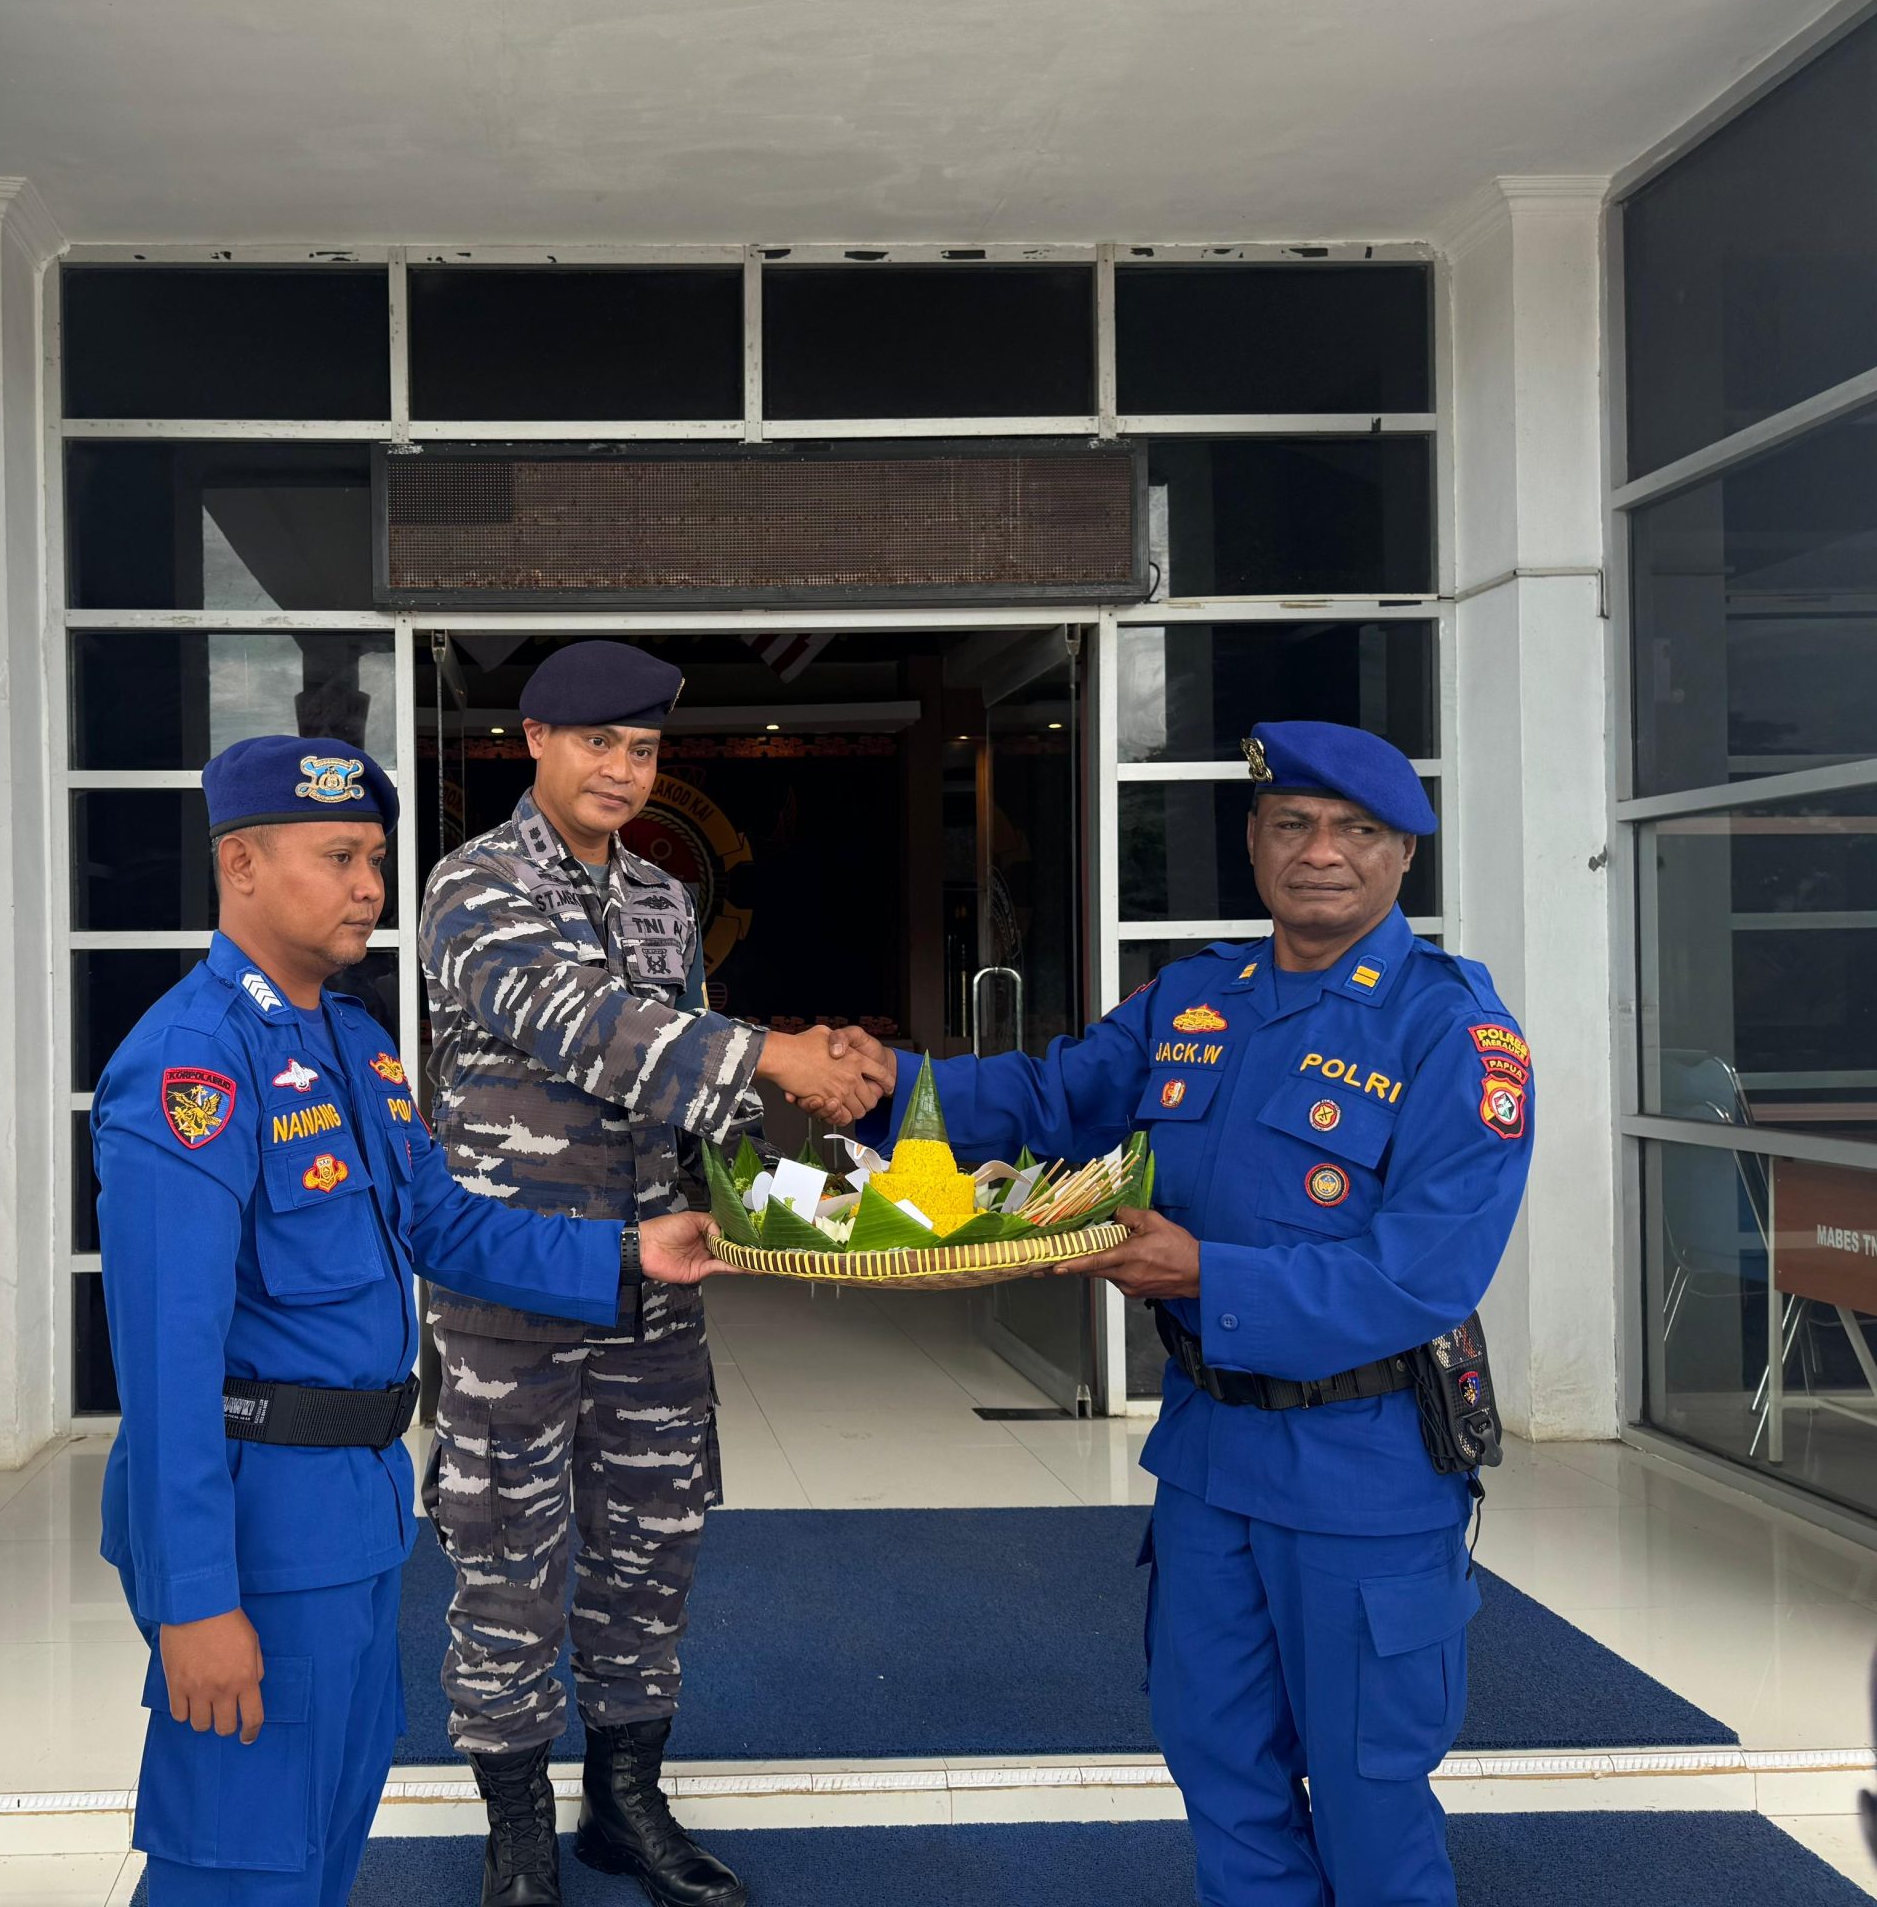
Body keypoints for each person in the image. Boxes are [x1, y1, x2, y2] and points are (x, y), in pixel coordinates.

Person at [848, 722, 1532, 1907]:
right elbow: (1050, 1096)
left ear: (1403, 855)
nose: (1321, 853)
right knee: (1222, 1776)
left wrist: (1206, 1276)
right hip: (1211, 1462)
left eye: (1356, 831)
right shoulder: (1196, 996)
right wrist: (876, 1086)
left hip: (1362, 1474)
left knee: (1371, 1803)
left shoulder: (1454, 1035)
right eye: (1291, 826)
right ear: (1255, 842)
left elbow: (1418, 1277)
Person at [93, 732, 730, 1907]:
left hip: (354, 1504)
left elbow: (446, 1226)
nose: (370, 888)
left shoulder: (351, 1042)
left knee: (322, 1838)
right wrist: (194, 1600)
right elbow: (164, 1361)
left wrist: (630, 1253)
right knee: (237, 1857)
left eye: (376, 859)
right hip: (253, 1509)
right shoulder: (192, 1063)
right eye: (337, 858)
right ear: (239, 867)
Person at [416, 640, 890, 1907]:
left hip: (654, 1283)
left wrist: (823, 1194)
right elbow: (590, 1028)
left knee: (649, 1549)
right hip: (513, 1285)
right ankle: (514, 1826)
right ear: (533, 740)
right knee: (505, 1556)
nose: (623, 771)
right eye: (597, 744)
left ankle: (625, 1801)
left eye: (642, 750)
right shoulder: (472, 889)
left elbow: (689, 1101)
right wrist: (778, 1056)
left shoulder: (664, 901)